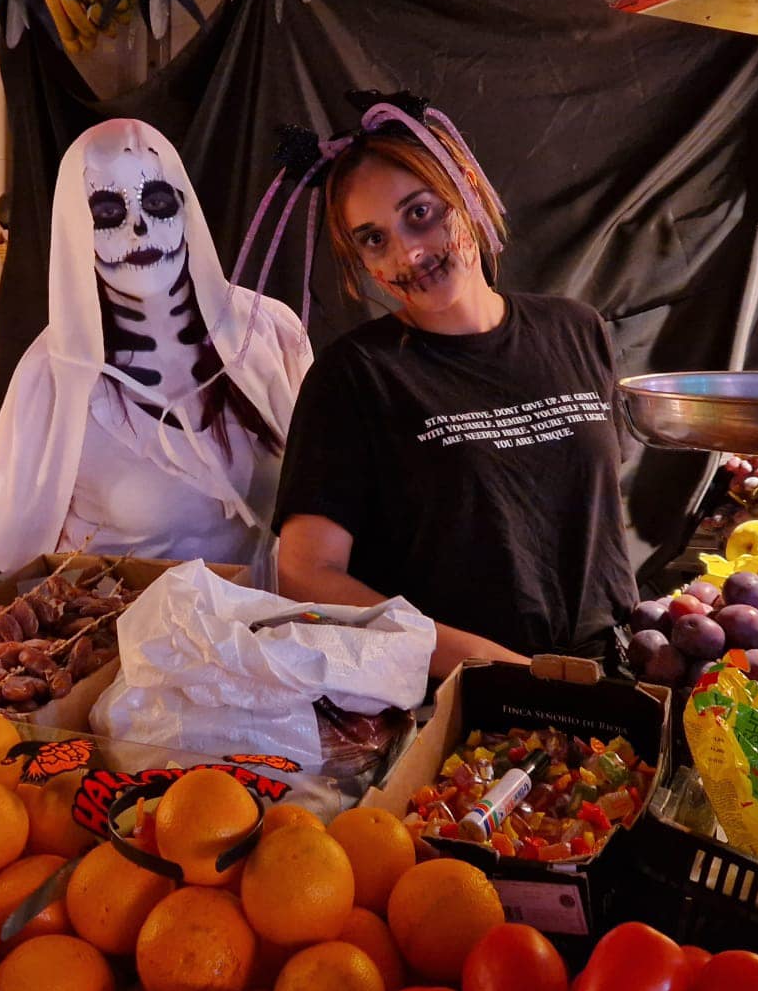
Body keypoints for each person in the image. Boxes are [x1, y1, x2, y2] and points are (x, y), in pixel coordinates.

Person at [272, 93, 637, 675]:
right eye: (374, 239)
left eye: (420, 213)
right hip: (464, 699)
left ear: (465, 189)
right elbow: (305, 573)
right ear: (361, 263)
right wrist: (494, 666)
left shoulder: (575, 328)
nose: (409, 254)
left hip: (612, 673)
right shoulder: (355, 376)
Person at [0, 118, 312, 584]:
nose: (138, 226)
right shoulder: (54, 374)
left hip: (262, 641)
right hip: (120, 647)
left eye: (155, 203)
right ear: (77, 229)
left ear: (184, 207)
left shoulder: (267, 333)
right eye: (107, 212)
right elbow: (13, 558)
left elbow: (327, 501)